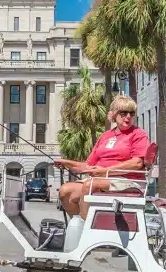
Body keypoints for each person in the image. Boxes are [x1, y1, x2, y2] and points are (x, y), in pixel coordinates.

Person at [53, 94, 155, 243]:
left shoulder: (138, 135)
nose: (128, 117)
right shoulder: (105, 136)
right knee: (65, 191)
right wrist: (67, 163)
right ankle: (81, 224)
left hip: (127, 181)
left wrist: (105, 171)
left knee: (90, 185)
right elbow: (89, 166)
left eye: (131, 113)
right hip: (102, 179)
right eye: (123, 112)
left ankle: (87, 236)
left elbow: (137, 163)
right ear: (113, 114)